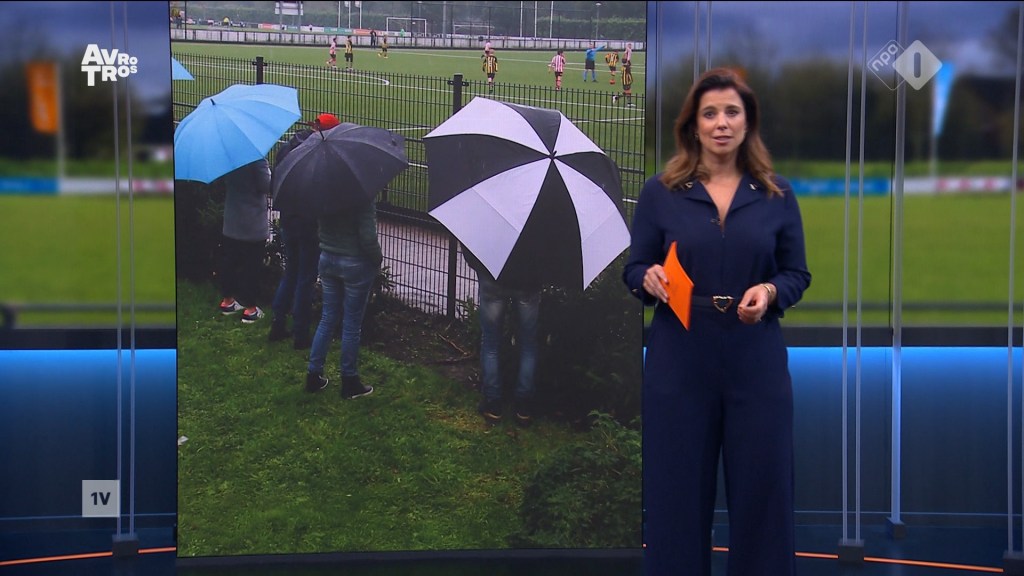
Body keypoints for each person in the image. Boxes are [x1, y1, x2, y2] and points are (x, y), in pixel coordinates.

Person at [621, 67, 811, 576]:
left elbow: (796, 273)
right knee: (676, 493)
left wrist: (770, 292)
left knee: (763, 491)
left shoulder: (776, 194)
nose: (721, 123)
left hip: (755, 357)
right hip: (680, 358)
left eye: (731, 112)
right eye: (710, 113)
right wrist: (648, 278)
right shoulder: (661, 192)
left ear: (748, 123)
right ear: (693, 125)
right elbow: (633, 268)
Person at [268, 113, 341, 349]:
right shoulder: (321, 154)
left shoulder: (289, 147)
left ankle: (278, 323)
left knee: (291, 271)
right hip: (308, 223)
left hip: (288, 219)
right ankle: (300, 333)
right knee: (306, 278)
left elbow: (276, 181)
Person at [304, 191, 381, 398]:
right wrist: (377, 259)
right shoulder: (362, 196)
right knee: (352, 324)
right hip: (355, 262)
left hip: (327, 258)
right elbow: (368, 237)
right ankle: (349, 380)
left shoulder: (324, 192)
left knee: (328, 318)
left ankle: (313, 374)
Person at [462, 245, 542, 428]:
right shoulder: (542, 225)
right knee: (528, 344)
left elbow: (470, 242)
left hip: (493, 275)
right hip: (529, 280)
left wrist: (478, 266)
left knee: (490, 341)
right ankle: (523, 407)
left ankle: (493, 404)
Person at [217, 158, 272, 324]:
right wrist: (269, 173)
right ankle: (250, 310)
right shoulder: (257, 160)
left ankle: (227, 302)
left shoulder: (227, 157)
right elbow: (267, 186)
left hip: (232, 219)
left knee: (230, 261)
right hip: (252, 222)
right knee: (251, 266)